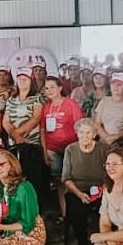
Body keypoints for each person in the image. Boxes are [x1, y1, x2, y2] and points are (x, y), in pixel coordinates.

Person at [62, 119, 108, 245]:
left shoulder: (103, 149)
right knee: (76, 212)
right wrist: (79, 194)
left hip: (101, 190)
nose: (84, 136)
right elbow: (66, 178)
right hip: (78, 190)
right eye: (81, 132)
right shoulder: (70, 149)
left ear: (94, 135)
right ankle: (83, 242)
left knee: (107, 209)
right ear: (77, 134)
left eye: (88, 133)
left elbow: (111, 173)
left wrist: (102, 190)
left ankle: (104, 242)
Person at [41, 76, 82, 223]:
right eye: (46, 88)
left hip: (71, 149)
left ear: (59, 88)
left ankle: (76, 214)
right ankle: (65, 215)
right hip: (53, 149)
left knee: (72, 182)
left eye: (52, 87)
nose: (49, 90)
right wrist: (45, 151)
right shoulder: (46, 107)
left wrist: (79, 148)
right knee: (60, 182)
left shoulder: (70, 103)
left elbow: (79, 126)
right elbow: (42, 130)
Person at [93, 72, 123, 145]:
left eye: (119, 84)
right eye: (113, 84)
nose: (115, 87)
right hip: (102, 142)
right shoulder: (104, 101)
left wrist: (116, 137)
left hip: (120, 143)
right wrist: (106, 137)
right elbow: (97, 124)